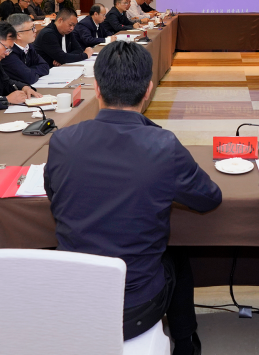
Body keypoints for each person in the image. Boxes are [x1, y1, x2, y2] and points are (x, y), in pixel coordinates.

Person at [44, 41, 221, 354]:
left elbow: (53, 193)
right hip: (136, 306)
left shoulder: (63, 140)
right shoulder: (162, 145)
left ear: (97, 89)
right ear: (148, 90)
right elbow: (209, 198)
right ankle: (185, 343)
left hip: (74, 294)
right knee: (176, 253)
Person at [1, 13, 50, 85]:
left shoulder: (29, 46)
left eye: (34, 27)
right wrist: (30, 72)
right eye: (32, 28)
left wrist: (29, 70)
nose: (35, 30)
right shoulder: (8, 53)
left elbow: (45, 66)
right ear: (18, 35)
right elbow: (29, 78)